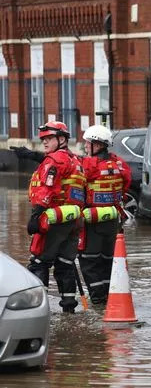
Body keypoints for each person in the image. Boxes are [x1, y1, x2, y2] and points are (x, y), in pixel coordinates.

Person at [27, 121, 86, 313]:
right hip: (74, 220)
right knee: (65, 263)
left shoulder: (54, 160)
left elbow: (47, 187)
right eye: (43, 138)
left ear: (61, 139)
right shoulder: (77, 162)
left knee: (39, 262)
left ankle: (37, 308)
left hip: (54, 218)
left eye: (49, 138)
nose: (44, 142)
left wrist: (36, 215)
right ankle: (69, 308)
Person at [79, 125, 132, 305]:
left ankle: (98, 300)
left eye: (88, 143)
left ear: (98, 145)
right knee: (109, 260)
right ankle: (111, 297)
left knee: (89, 261)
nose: (85, 146)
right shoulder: (119, 164)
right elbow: (125, 186)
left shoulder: (89, 164)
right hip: (113, 220)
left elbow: (77, 181)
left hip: (93, 220)